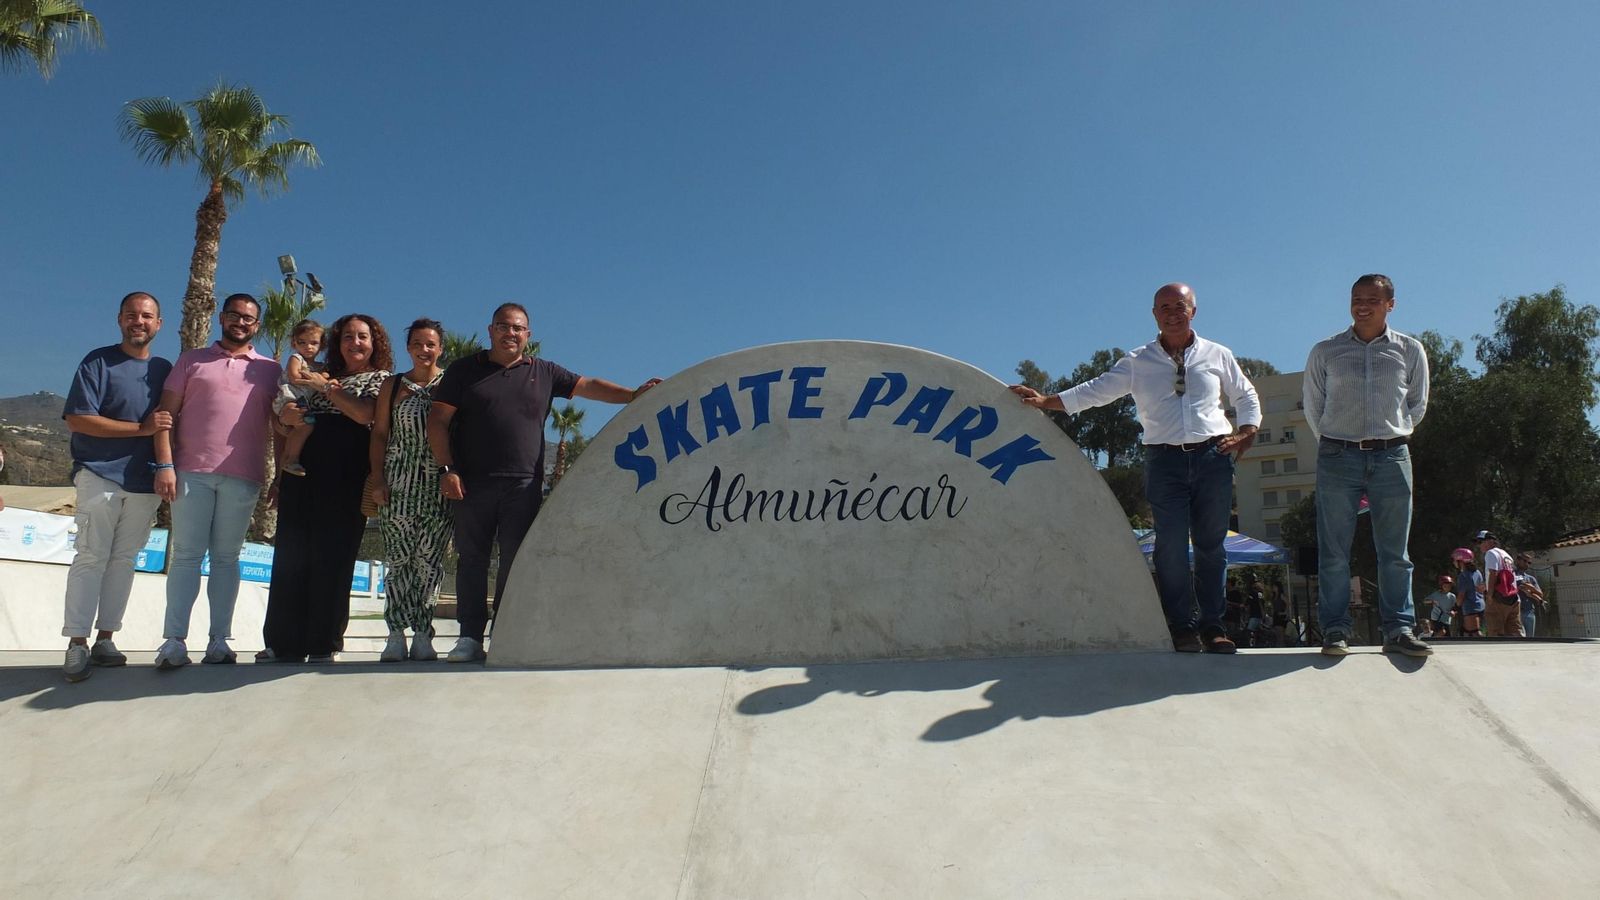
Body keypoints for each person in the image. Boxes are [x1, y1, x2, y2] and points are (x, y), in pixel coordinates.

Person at [1010, 283, 1260, 653]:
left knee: (1211, 546)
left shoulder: (1217, 354)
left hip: (1213, 457)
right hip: (1164, 460)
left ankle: (1214, 627)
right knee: (1171, 546)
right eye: (1164, 307)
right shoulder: (1138, 360)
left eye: (1180, 305)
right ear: (1154, 314)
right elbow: (1097, 390)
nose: (1172, 312)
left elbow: (1245, 394)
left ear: (1194, 311)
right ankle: (1182, 627)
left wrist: (1247, 432)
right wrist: (1047, 401)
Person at [426, 302, 662, 662]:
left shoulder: (544, 372)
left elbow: (589, 386)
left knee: (514, 561)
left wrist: (631, 395)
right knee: (472, 559)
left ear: (528, 335)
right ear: (491, 330)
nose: (511, 333)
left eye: (518, 328)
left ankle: (503, 633)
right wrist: (448, 470)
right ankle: (469, 637)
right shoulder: (463, 371)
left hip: (523, 484)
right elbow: (438, 421)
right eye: (504, 327)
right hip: (471, 483)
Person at [1304, 274, 1432, 658]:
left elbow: (1417, 403)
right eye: (1356, 298)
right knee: (1334, 551)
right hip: (1337, 455)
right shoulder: (1325, 351)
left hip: (1392, 456)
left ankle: (1399, 629)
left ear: (1390, 304)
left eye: (1372, 300)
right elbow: (1314, 406)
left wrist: (1393, 435)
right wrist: (1336, 441)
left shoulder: (1409, 350)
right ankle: (1335, 630)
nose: (1362, 306)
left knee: (1395, 551)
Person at [152, 294, 281, 670]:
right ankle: (174, 641)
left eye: (249, 319)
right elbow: (165, 414)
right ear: (222, 318)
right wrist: (164, 465)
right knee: (187, 556)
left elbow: (281, 425)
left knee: (227, 559)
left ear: (257, 326)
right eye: (235, 316)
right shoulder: (191, 360)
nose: (241, 323)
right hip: (191, 472)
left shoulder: (270, 369)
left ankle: (219, 641)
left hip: (244, 477)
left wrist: (284, 474)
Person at [261, 314, 394, 663]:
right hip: (302, 471)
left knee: (333, 558)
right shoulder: (317, 372)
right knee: (291, 554)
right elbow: (282, 421)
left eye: (363, 336)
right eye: (347, 336)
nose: (355, 343)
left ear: (374, 342)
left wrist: (328, 389)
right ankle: (281, 641)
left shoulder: (381, 380)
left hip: (346, 477)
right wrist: (284, 418)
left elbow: (365, 415)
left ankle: (323, 643)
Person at [58, 292, 172, 682]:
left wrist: (167, 468)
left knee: (123, 562)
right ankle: (77, 643)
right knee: (91, 557)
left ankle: (106, 639)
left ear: (159, 324)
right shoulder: (97, 361)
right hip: (98, 474)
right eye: (131, 315)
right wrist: (140, 429)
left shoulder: (165, 370)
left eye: (147, 316)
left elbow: (169, 425)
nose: (138, 321)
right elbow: (79, 418)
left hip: (145, 482)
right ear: (119, 320)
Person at [369, 318, 450, 662]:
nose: (424, 350)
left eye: (430, 344)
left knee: (429, 560)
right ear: (408, 348)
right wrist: (378, 478)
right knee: (399, 559)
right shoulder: (393, 386)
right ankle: (395, 634)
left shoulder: (450, 384)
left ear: (440, 348)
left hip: (436, 483)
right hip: (398, 482)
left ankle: (422, 633)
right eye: (417, 343)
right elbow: (380, 434)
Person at [274, 319, 325, 477]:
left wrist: (325, 380)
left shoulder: (320, 366)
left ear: (321, 345)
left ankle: (288, 459)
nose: (308, 347)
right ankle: (292, 459)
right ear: (294, 343)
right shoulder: (296, 358)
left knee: (300, 427)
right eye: (302, 342)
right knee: (306, 425)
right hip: (290, 397)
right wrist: (314, 380)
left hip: (302, 400)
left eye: (313, 343)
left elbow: (327, 380)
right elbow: (294, 377)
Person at [1475, 530, 1522, 637]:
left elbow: (1493, 573)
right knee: (1514, 631)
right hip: (1513, 597)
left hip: (1498, 598)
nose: (1479, 545)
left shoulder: (1491, 553)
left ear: (1491, 541)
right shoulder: (1506, 554)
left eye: (1481, 542)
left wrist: (1490, 595)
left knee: (1495, 630)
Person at [1453, 548, 1485, 637]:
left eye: (1455, 560)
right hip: (1480, 604)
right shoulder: (1477, 572)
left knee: (1474, 633)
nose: (1454, 562)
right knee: (1468, 632)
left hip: (1470, 607)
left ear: (1461, 561)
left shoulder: (1463, 576)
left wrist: (1456, 606)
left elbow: (1461, 594)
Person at [1515, 552, 1545, 637]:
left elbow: (1540, 594)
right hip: (1516, 611)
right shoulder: (1511, 575)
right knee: (1519, 636)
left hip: (1529, 611)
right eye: (1525, 561)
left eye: (1529, 562)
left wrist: (1530, 588)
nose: (1527, 564)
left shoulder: (1530, 578)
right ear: (1518, 560)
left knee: (1529, 637)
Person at [1421, 574, 1455, 639]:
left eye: (1449, 585)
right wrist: (1432, 601)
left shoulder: (1452, 596)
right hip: (1437, 618)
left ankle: (1433, 639)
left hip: (1446, 619)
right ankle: (1431, 640)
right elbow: (1424, 601)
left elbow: (1453, 607)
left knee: (1447, 637)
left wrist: (1453, 612)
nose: (1447, 587)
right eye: (1445, 585)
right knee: (1442, 631)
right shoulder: (1436, 594)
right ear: (1441, 586)